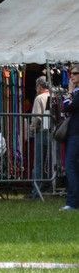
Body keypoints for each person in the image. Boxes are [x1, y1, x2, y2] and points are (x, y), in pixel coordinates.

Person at [60, 64, 79, 211]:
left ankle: (73, 202)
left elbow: (67, 107)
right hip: (74, 133)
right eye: (70, 73)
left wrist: (69, 92)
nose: (71, 76)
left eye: (75, 73)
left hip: (76, 134)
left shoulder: (76, 93)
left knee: (70, 166)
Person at [29, 76, 51, 198]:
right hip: (52, 132)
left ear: (40, 86)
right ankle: (49, 187)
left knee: (38, 163)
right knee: (52, 162)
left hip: (41, 131)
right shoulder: (53, 96)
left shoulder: (39, 98)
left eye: (37, 86)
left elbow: (37, 117)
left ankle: (36, 192)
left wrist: (32, 129)